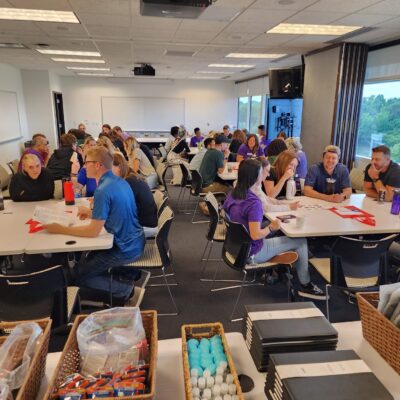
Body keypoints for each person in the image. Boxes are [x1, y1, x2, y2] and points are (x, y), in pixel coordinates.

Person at [43, 146, 145, 300]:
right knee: (86, 260)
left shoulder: (103, 190)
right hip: (135, 241)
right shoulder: (119, 181)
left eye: (86, 162)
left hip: (124, 248)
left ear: (98, 165)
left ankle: (125, 290)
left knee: (77, 277)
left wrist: (60, 228)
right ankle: (125, 274)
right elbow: (116, 212)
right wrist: (92, 213)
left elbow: (92, 231)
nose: (84, 166)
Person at [223, 159, 325, 299]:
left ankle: (295, 264)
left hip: (235, 247)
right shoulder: (254, 203)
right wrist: (272, 227)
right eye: (261, 173)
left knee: (284, 233)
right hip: (252, 252)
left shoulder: (232, 194)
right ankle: (306, 285)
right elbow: (256, 235)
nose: (265, 175)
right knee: (300, 241)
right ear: (254, 177)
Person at [112, 153, 158, 238]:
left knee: (108, 233)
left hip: (145, 226)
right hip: (146, 221)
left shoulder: (129, 182)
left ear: (118, 167)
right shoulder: (129, 177)